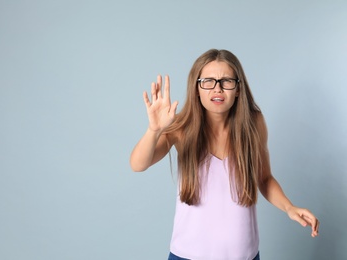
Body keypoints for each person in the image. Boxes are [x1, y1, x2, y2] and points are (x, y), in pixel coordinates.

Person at [129, 49, 319, 260]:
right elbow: (138, 164)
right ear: (197, 89)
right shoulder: (181, 127)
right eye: (208, 81)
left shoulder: (253, 124)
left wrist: (289, 207)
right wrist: (154, 130)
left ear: (238, 88)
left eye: (226, 81)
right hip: (186, 255)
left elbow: (264, 178)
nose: (217, 89)